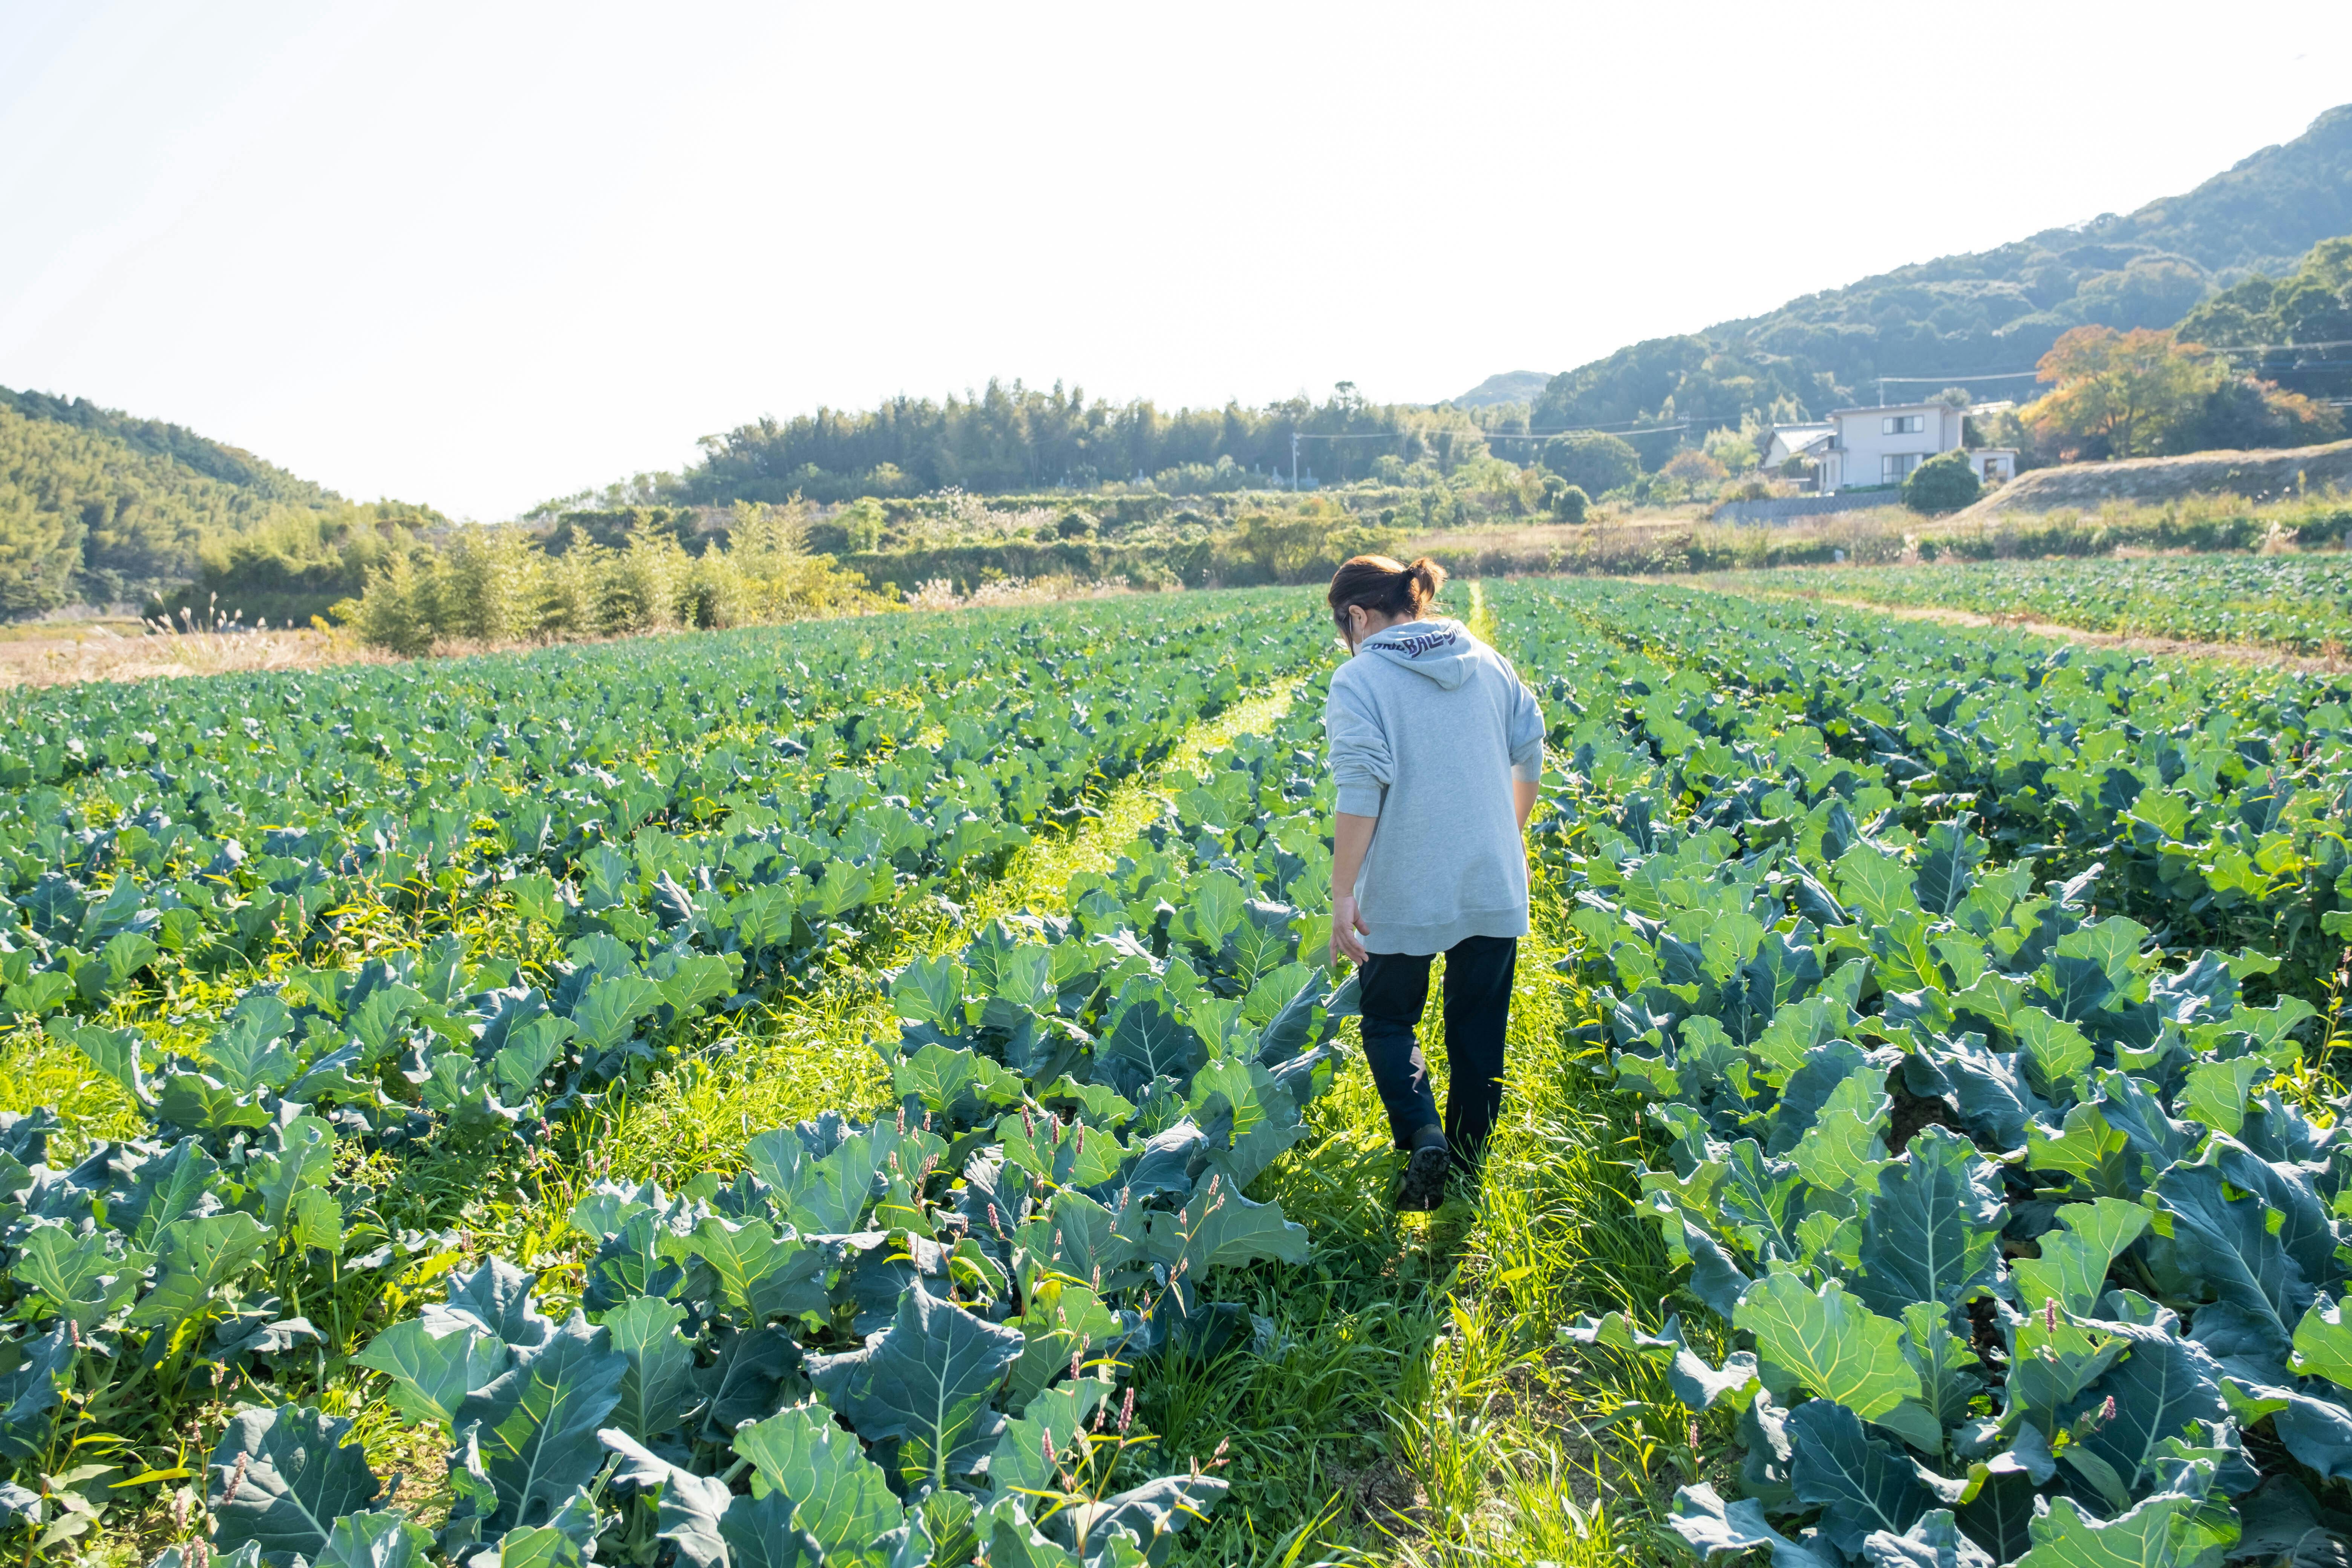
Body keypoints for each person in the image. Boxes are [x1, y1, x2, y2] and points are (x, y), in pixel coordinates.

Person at [1322, 555, 1543, 1211]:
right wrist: (1509, 834)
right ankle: (1469, 1173)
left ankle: (1424, 1136)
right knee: (1480, 1031)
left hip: (1405, 883)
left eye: (1342, 629)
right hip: (1491, 877)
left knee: (1389, 1020)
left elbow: (1360, 788)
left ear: (1357, 616)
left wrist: (1342, 893)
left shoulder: (1360, 679)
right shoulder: (1488, 660)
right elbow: (1531, 749)